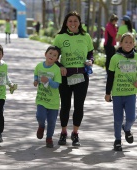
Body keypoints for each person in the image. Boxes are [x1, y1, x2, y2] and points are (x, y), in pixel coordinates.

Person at [53, 11, 94, 146]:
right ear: (66, 23)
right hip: (65, 76)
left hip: (81, 76)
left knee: (79, 106)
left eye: (75, 21)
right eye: (70, 21)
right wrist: (60, 66)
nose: (73, 23)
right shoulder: (60, 37)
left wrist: (90, 61)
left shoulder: (86, 36)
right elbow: (53, 56)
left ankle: (75, 133)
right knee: (65, 105)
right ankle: (63, 132)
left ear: (79, 22)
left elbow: (90, 53)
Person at [105, 32, 137, 151]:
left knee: (131, 118)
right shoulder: (115, 58)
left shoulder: (136, 57)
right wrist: (108, 93)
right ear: (121, 44)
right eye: (126, 42)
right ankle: (117, 140)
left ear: (134, 44)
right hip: (117, 94)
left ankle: (127, 128)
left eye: (130, 42)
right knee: (117, 119)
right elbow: (110, 76)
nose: (128, 44)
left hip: (131, 93)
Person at [34, 45, 61, 148]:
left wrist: (49, 81)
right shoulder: (39, 66)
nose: (51, 56)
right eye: (50, 53)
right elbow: (36, 74)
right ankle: (41, 126)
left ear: (57, 59)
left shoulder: (56, 70)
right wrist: (36, 80)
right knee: (40, 116)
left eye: (54, 55)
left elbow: (56, 85)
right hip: (41, 98)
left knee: (52, 122)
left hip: (53, 102)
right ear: (45, 54)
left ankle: (49, 138)